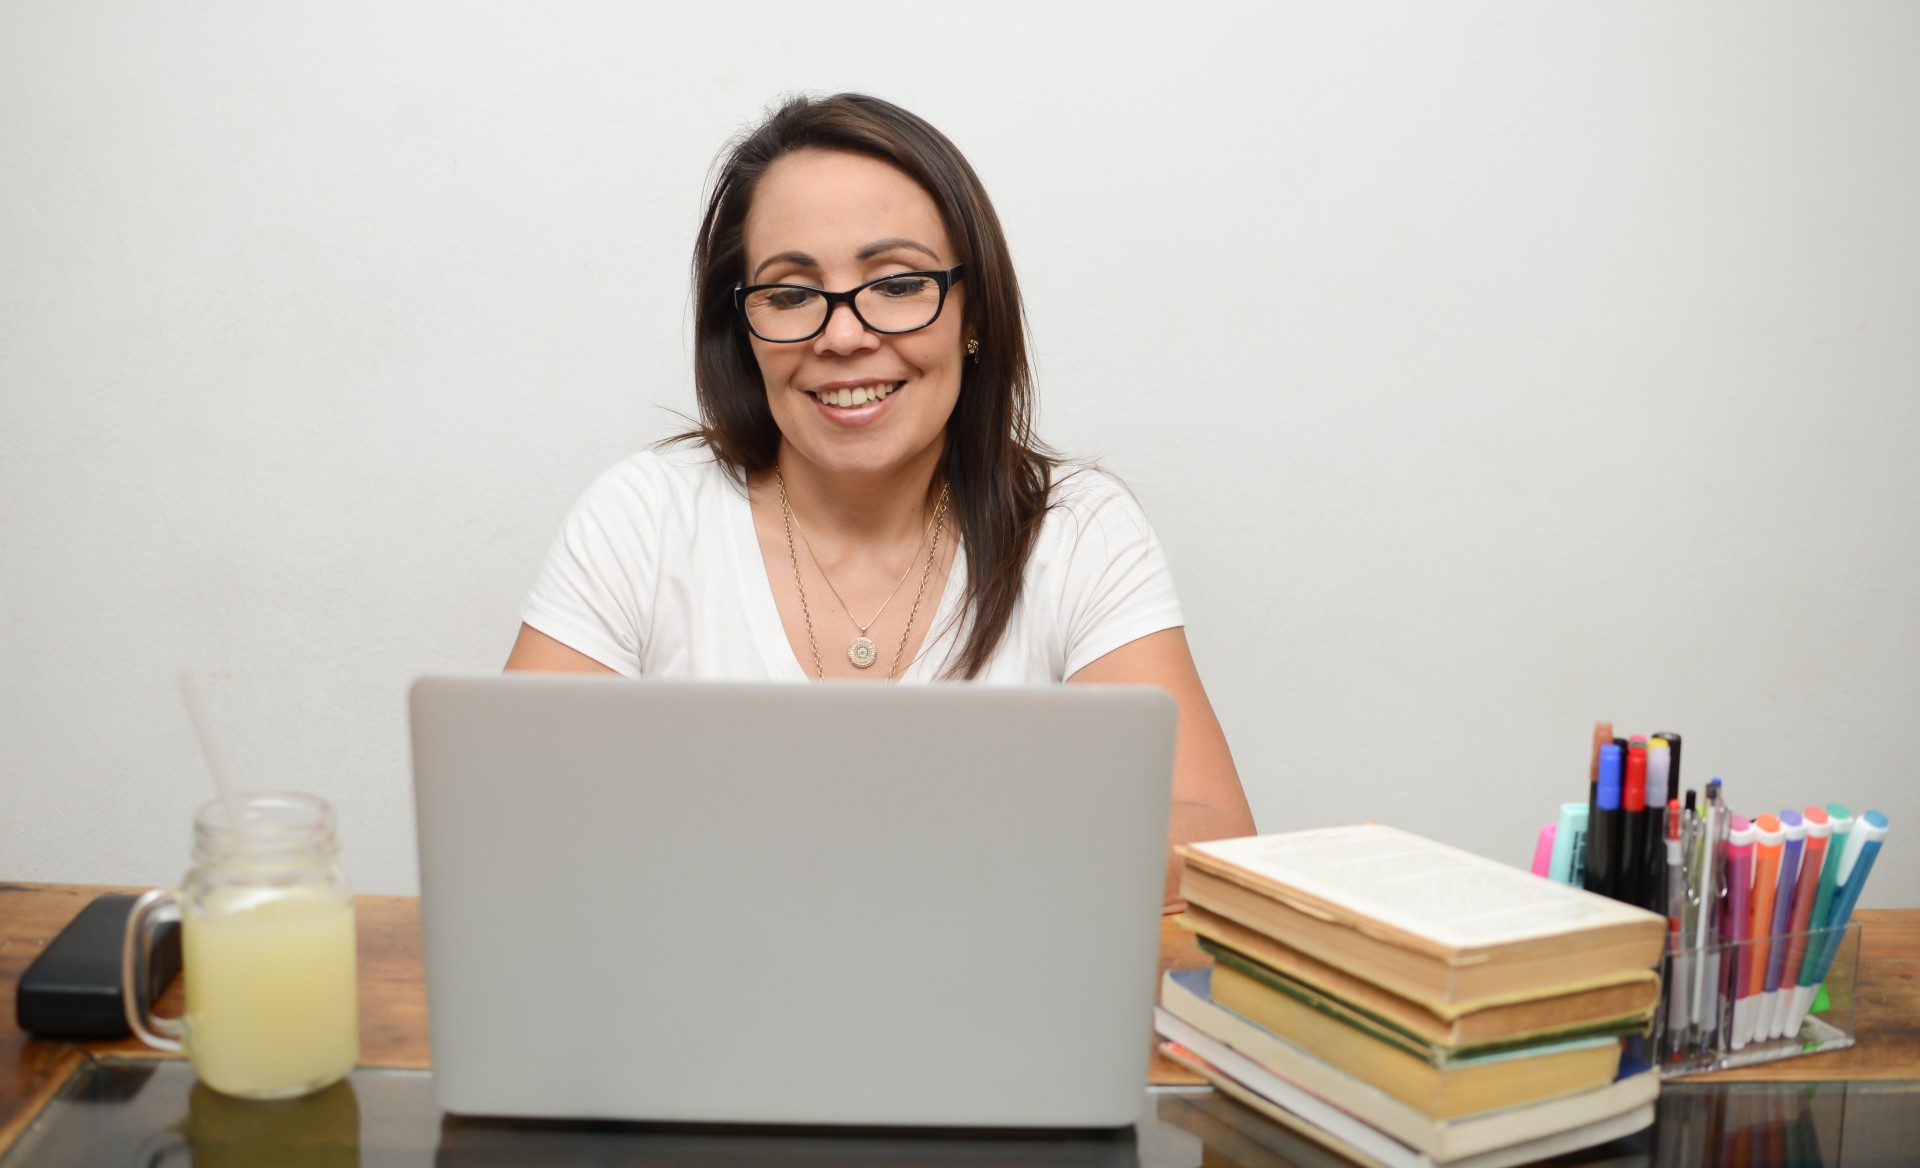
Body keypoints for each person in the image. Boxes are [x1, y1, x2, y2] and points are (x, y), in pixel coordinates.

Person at [504, 93, 1253, 906]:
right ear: (744, 332)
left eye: (896, 283)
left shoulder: (1077, 529)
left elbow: (1213, 832)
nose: (843, 335)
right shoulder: (641, 518)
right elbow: (509, 817)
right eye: (790, 295)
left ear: (973, 315)